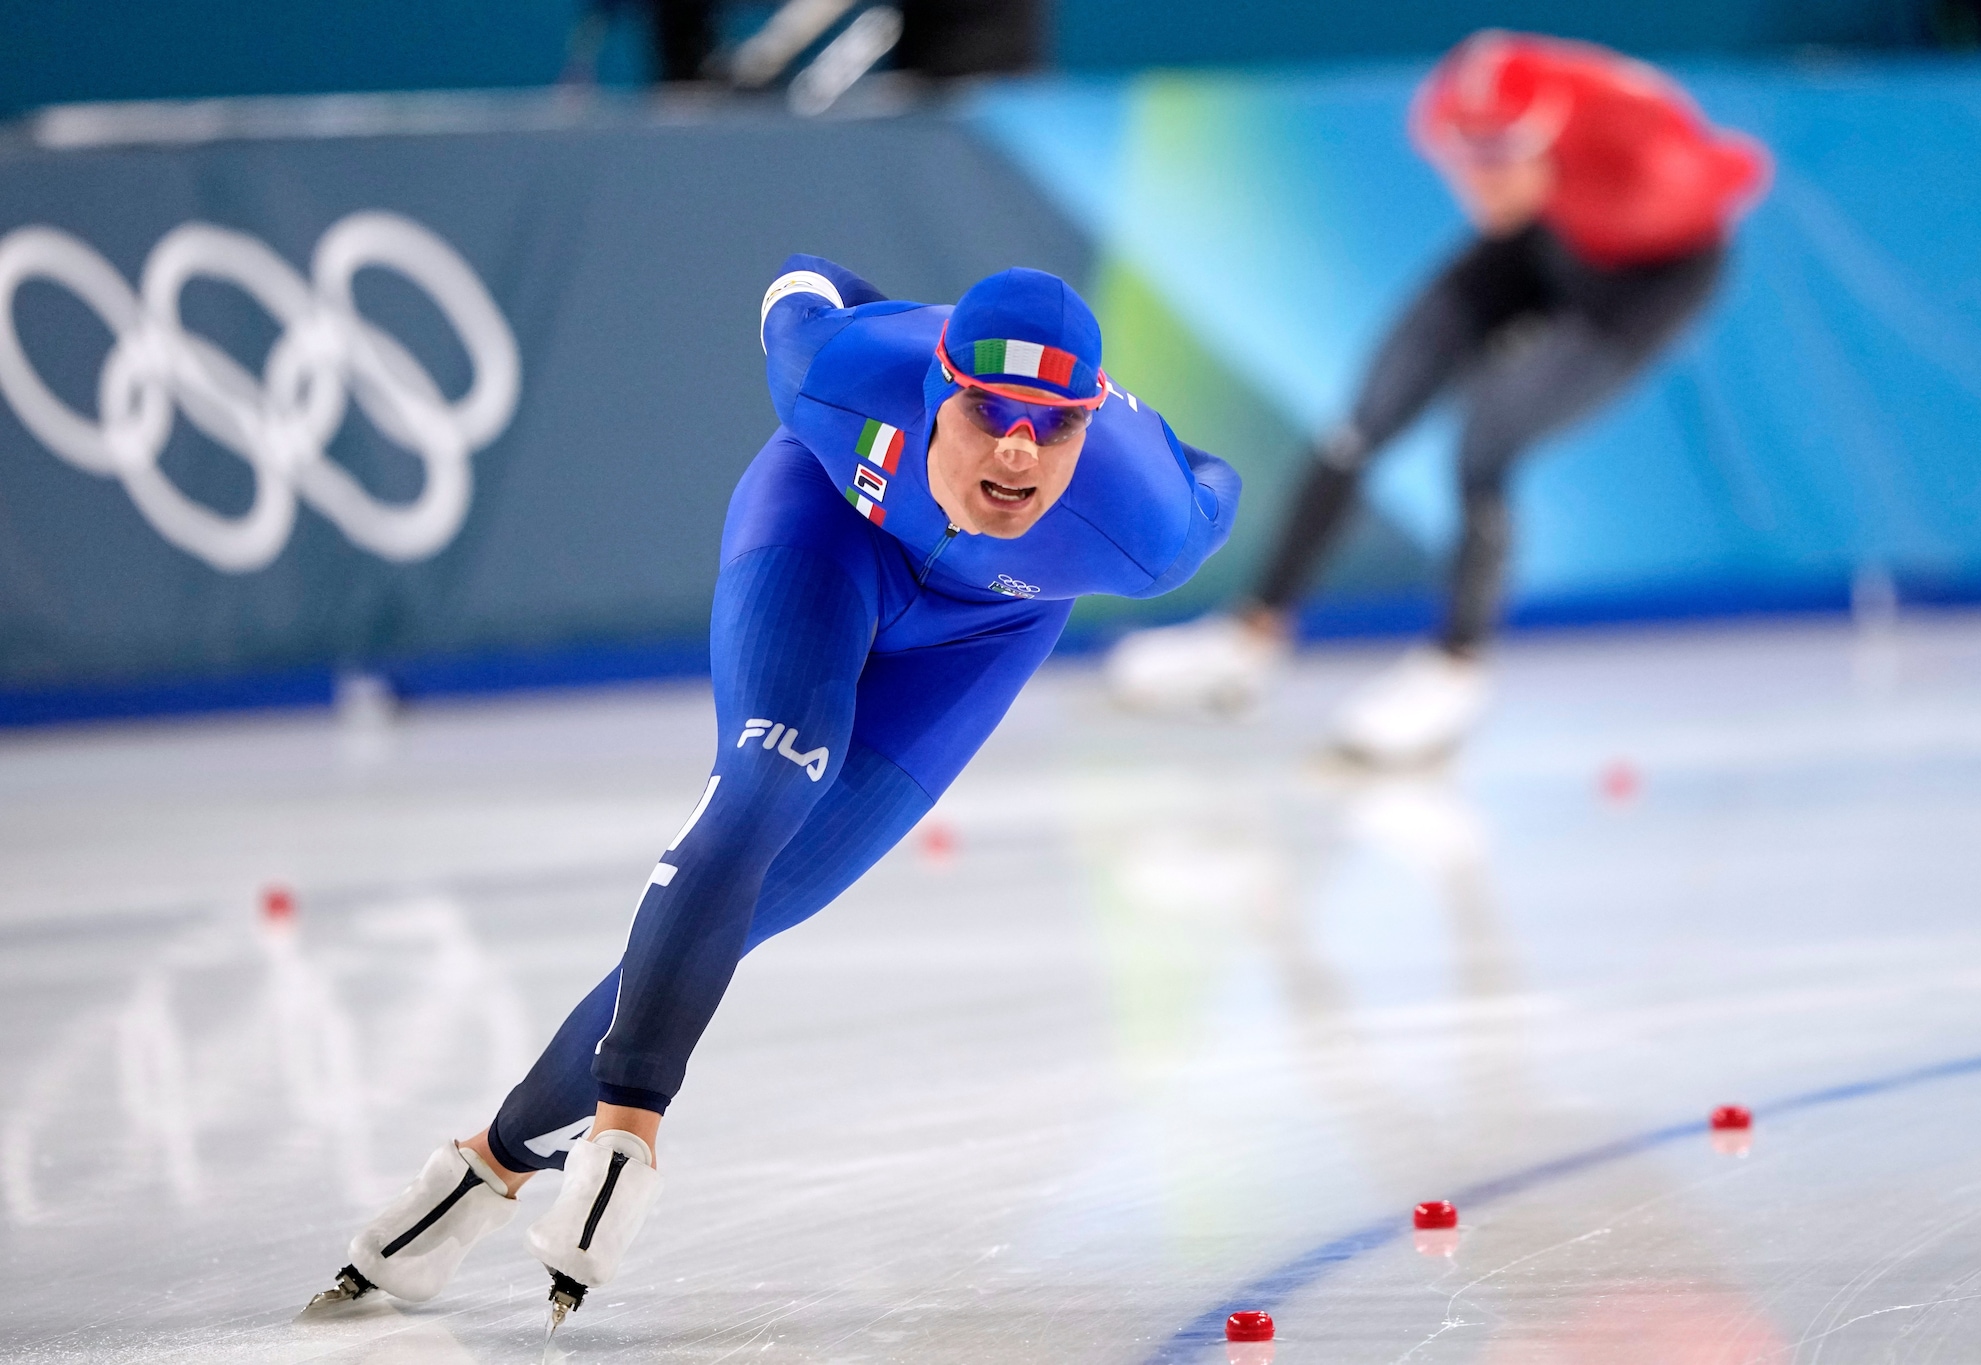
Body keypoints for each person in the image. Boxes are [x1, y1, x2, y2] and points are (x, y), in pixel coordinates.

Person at [305, 259, 1239, 1331]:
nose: (1019, 450)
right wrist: (894, 311)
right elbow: (803, 282)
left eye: (1055, 425)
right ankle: (627, 1130)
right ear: (937, 389)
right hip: (824, 534)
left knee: (755, 905)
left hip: (979, 636)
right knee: (760, 784)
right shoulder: (840, 374)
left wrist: (1143, 436)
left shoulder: (1147, 526)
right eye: (988, 411)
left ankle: (485, 1166)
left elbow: (1217, 477)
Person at [1106, 30, 1769, 764]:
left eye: (1498, 161)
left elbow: (1742, 168)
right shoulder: (1478, 120)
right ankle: (1249, 639)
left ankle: (1455, 669)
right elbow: (1501, 139)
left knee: (1487, 439)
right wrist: (1525, 193)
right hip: (1549, 234)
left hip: (1650, 277)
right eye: (1467, 162)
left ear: (1547, 138)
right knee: (1361, 423)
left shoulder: (1651, 162)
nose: (1478, 184)